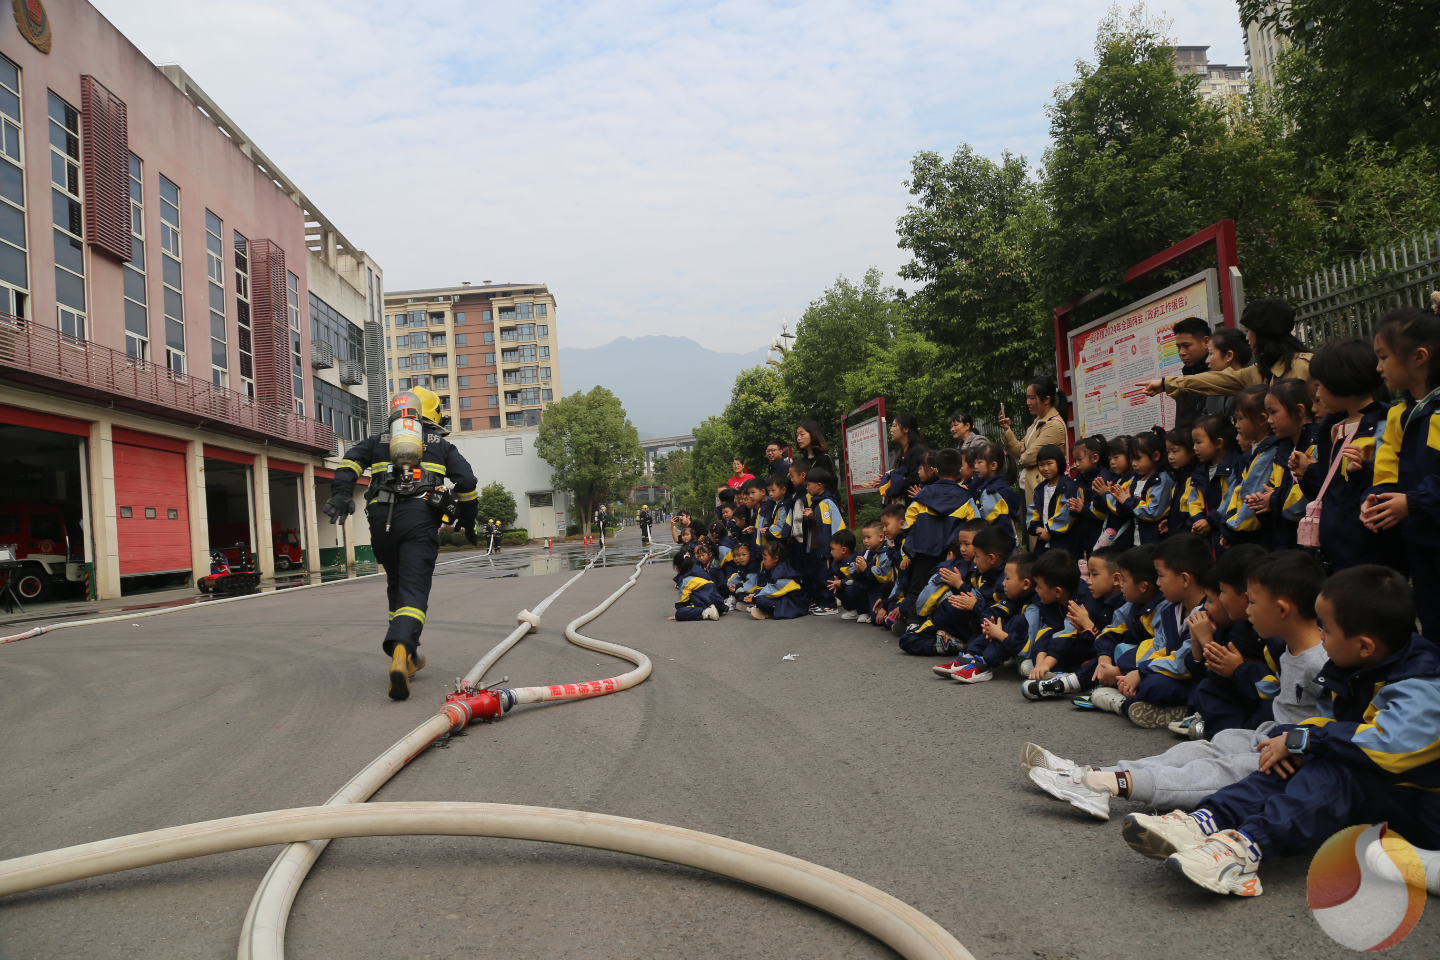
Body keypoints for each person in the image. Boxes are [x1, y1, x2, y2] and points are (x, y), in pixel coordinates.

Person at [1121, 565, 1440, 898]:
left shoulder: (1422, 686)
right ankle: (1209, 819)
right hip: (1386, 793)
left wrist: (1306, 739)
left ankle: (1247, 849)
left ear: (1363, 646)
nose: (1320, 636)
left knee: (1337, 765)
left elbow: (1388, 746)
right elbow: (1333, 727)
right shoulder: (1359, 665)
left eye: (1326, 629)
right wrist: (1294, 739)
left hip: (1421, 810)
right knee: (1294, 754)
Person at [1022, 551, 1327, 823]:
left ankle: (1105, 786)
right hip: (1270, 732)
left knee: (1223, 769)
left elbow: (1341, 724)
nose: (1248, 610)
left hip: (1296, 752)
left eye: (1255, 602)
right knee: (1199, 749)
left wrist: (1298, 745)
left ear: (1283, 609)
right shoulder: (1290, 649)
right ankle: (1091, 773)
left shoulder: (1320, 662)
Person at [325, 387, 478, 700]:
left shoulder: (377, 441)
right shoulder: (441, 445)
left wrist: (341, 493)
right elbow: (467, 483)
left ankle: (409, 657)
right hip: (420, 519)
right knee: (414, 589)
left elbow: (349, 463)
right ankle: (399, 651)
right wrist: (467, 519)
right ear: (430, 415)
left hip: (381, 520)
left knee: (397, 585)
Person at [1290, 336, 1396, 571]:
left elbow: (1388, 485)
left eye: (1319, 385)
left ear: (1340, 382)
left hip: (1367, 553)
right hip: (1335, 551)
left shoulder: (1385, 424)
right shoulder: (1332, 427)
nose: (1317, 394)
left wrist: (1364, 470)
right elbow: (1332, 490)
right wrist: (1308, 473)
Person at [1364, 305, 1440, 636]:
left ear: (1419, 356)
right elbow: (1385, 471)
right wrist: (1375, 499)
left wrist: (1413, 502)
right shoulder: (1398, 415)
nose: (1378, 367)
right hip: (1419, 541)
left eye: (1384, 356)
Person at [1138, 299, 1313, 402]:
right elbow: (1216, 380)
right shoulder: (1258, 372)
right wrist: (1165, 383)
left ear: (1263, 334)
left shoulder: (1307, 367)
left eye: (1249, 331)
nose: (1247, 338)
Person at [999, 376, 1068, 510]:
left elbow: (1029, 457)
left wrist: (1023, 458)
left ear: (1047, 399)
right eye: (1027, 398)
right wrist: (1007, 430)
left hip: (1044, 490)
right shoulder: (1037, 423)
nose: (1028, 402)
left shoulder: (1054, 425)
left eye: (1032, 398)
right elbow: (1019, 450)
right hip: (1031, 487)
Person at [802, 467, 847, 614]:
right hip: (815, 547)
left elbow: (827, 524)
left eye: (809, 484)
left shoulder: (826, 503)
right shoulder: (816, 502)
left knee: (825, 576)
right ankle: (822, 601)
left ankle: (830, 604)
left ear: (819, 485)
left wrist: (811, 516)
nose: (807, 488)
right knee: (816, 575)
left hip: (825, 548)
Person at [1028, 444, 1080, 556]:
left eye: (1049, 463)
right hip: (1044, 541)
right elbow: (1033, 509)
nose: (1045, 468)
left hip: (1064, 543)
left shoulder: (1067, 487)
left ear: (1059, 463)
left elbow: (1068, 513)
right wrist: (1037, 528)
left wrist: (1050, 531)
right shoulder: (1040, 488)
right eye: (1041, 464)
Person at [876, 412, 930, 504]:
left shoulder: (918, 450)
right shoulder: (903, 452)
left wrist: (890, 483)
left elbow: (914, 479)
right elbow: (900, 475)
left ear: (905, 429)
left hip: (915, 503)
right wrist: (885, 480)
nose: (891, 429)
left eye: (894, 426)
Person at [746, 542, 808, 620]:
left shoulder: (781, 572)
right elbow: (771, 587)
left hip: (795, 606)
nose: (763, 562)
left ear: (775, 559)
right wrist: (756, 593)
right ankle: (768, 611)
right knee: (759, 596)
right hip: (786, 600)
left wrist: (755, 597)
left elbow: (773, 591)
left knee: (760, 600)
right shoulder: (779, 569)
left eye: (765, 559)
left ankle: (770, 612)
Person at [1170, 317, 1214, 427]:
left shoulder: (1217, 378)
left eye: (1186, 346)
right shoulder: (1183, 381)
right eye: (1178, 347)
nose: (1181, 352)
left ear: (1206, 342)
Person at [668, 553, 722, 621]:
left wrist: (681, 612)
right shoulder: (698, 570)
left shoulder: (686, 580)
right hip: (719, 604)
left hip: (707, 604)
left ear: (676, 567)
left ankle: (706, 612)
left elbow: (683, 601)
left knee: (680, 614)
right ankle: (712, 610)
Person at [795, 421, 837, 492]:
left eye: (802, 434)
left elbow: (828, 486)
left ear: (813, 434)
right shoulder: (803, 461)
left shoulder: (824, 458)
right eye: (797, 435)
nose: (798, 438)